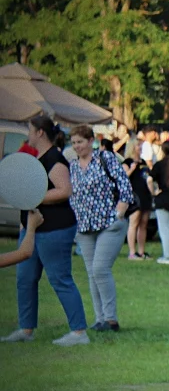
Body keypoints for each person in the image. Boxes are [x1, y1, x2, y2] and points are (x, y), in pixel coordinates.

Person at [3, 115, 89, 347]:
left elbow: (64, 190)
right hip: (33, 227)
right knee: (25, 278)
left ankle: (79, 332)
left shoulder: (54, 159)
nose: (28, 135)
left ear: (40, 132)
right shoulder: (37, 158)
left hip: (54, 229)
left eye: (30, 130)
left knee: (60, 278)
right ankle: (26, 328)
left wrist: (33, 197)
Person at [68, 124, 134, 333]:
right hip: (85, 226)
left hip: (109, 224)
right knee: (91, 273)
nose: (77, 146)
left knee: (100, 269)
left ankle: (111, 319)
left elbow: (125, 187)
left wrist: (119, 214)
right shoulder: (73, 166)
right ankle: (99, 319)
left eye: (80, 142)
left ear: (90, 141)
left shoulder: (105, 159)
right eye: (73, 143)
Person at [123, 140, 153, 260]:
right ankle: (132, 252)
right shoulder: (127, 162)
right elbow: (123, 178)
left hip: (145, 195)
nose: (140, 148)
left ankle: (141, 251)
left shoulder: (144, 162)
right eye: (138, 145)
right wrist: (131, 169)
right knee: (134, 223)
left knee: (144, 223)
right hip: (135, 196)